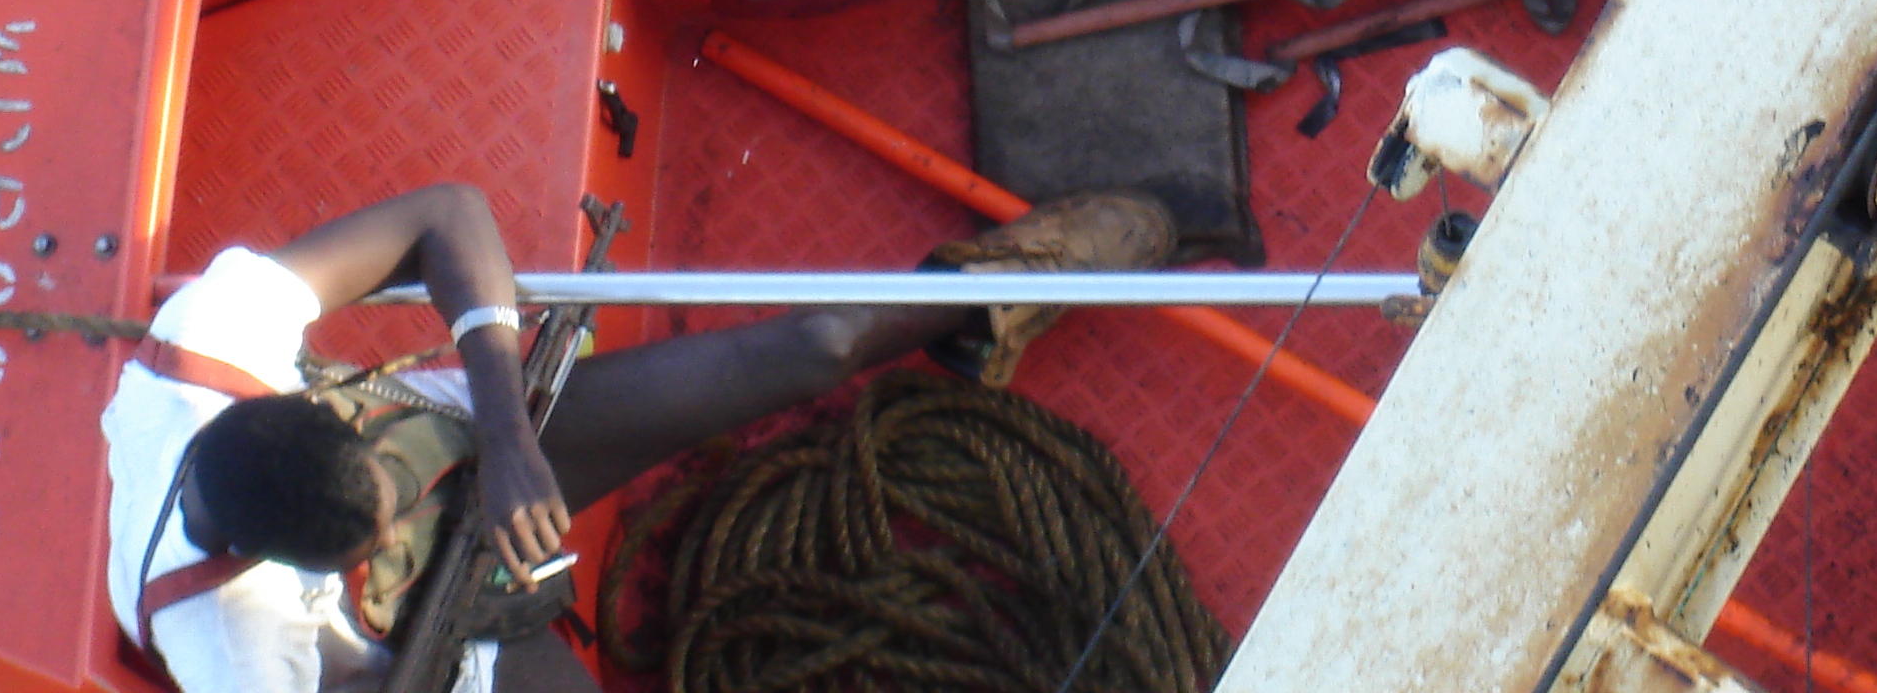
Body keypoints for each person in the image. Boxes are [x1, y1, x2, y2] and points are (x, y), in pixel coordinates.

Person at [106, 182, 1174, 693]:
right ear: (298, 570)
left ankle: (994, 295)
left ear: (296, 401)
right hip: (427, 640)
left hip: (482, 449)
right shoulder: (233, 651)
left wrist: (513, 438)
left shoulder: (211, 341)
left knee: (820, 342)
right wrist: (465, 608)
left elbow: (447, 216)